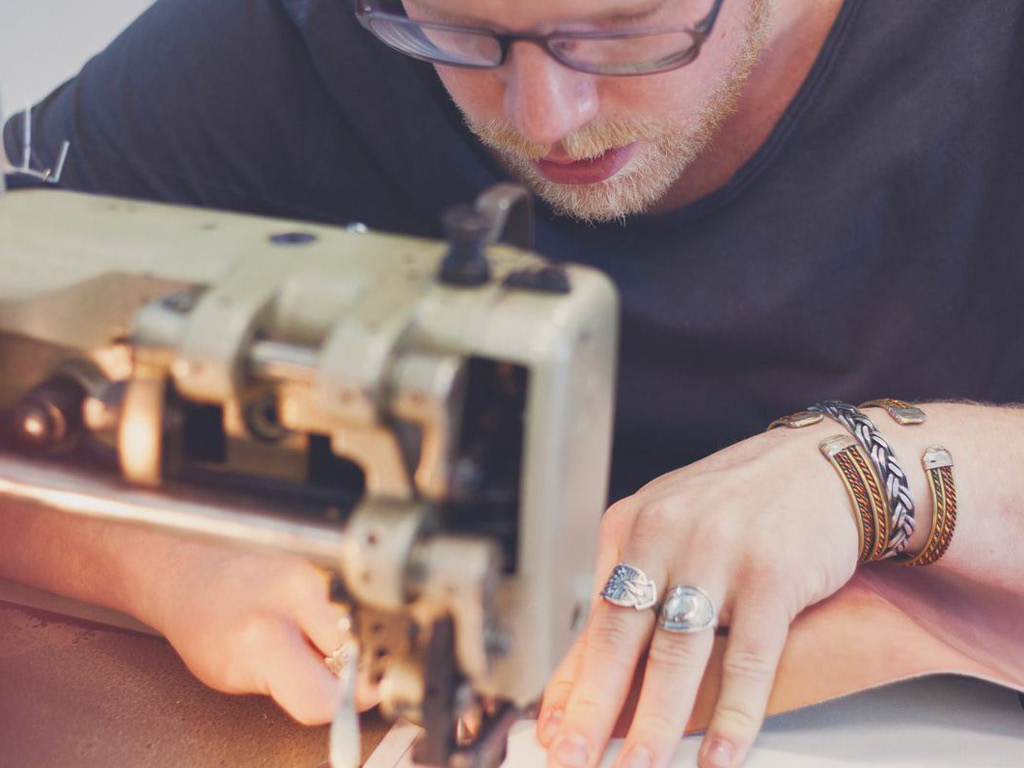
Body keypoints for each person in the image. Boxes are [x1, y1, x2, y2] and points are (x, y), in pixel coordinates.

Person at [2, 1, 1023, 766]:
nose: (545, 116)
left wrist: (895, 476)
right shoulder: (314, 32)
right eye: (458, 31)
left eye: (620, 30)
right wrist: (155, 557)